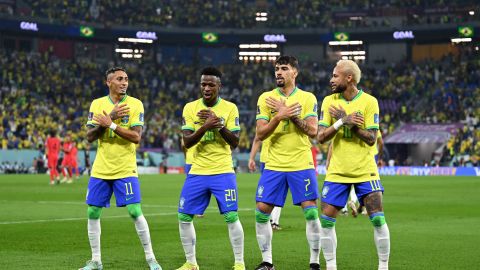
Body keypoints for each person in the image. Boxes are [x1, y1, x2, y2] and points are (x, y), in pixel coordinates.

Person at [80, 67, 162, 270]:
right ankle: (96, 260)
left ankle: (151, 258)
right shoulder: (98, 104)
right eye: (119, 79)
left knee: (135, 210)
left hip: (125, 168)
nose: (124, 82)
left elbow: (136, 137)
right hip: (101, 168)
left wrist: (112, 125)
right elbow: (89, 137)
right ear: (109, 82)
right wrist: (109, 118)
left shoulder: (135, 104)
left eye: (126, 79)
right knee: (92, 211)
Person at [317, 59, 390, 270]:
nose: (331, 80)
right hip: (337, 172)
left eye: (335, 75)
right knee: (327, 222)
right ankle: (331, 267)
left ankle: (383, 267)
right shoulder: (329, 101)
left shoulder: (369, 102)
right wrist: (341, 121)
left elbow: (371, 138)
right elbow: (321, 137)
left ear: (349, 78)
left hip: (365, 171)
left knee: (377, 219)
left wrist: (352, 125)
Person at [254, 56, 321, 270]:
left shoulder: (307, 98)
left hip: (301, 162)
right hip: (274, 164)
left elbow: (312, 131)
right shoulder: (265, 98)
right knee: (261, 211)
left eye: (284, 68)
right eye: (276, 69)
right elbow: (260, 133)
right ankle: (267, 262)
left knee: (311, 212)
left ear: (295, 72)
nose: (279, 73)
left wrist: (291, 116)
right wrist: (278, 116)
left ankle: (314, 262)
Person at [177, 67, 245, 270]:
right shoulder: (190, 108)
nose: (206, 88)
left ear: (219, 86)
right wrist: (205, 126)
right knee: (183, 216)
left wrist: (219, 125)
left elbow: (235, 142)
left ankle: (239, 262)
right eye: (203, 84)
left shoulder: (230, 108)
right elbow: (187, 142)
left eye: (211, 84)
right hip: (197, 170)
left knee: (231, 216)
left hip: (223, 170)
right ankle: (191, 262)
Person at [248, 136, 283, 231]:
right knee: (277, 191)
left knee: (271, 191)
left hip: (271, 158)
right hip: (273, 159)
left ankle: (272, 220)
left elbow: (257, 138)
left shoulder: (264, 121)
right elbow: (258, 137)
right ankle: (273, 221)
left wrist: (252, 158)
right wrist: (252, 158)